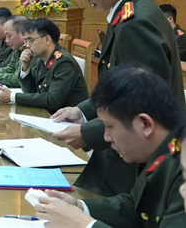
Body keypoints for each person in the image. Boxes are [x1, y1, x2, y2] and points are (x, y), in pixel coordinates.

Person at [53, 0, 185, 196]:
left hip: (134, 162)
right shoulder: (129, 13)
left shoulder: (136, 23)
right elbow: (119, 87)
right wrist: (81, 111)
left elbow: (144, 102)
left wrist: (88, 132)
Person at [34, 65, 186, 227]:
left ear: (145, 124)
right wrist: (79, 207)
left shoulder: (181, 164)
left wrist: (85, 224)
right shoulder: (162, 148)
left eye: (109, 126)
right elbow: (137, 206)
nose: (106, 137)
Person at [0, 19, 88, 113]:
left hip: (65, 119)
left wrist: (12, 97)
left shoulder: (64, 62)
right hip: (46, 114)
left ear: (47, 40)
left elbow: (52, 100)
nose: (27, 45)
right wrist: (25, 67)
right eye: (26, 40)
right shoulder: (42, 59)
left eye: (30, 40)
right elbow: (30, 91)